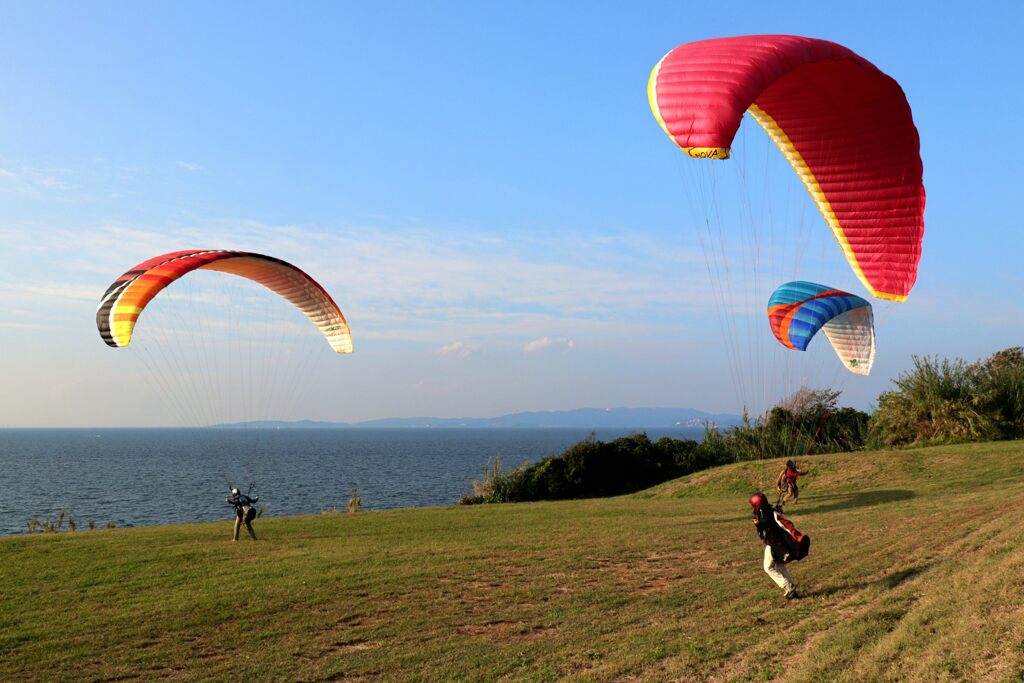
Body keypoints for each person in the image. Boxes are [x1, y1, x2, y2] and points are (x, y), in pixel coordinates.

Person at [749, 491, 810, 599]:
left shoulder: (764, 512)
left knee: (768, 567)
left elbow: (766, 525)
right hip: (778, 543)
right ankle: (791, 589)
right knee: (779, 566)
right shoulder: (770, 510)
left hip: (774, 544)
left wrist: (758, 524)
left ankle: (787, 586)